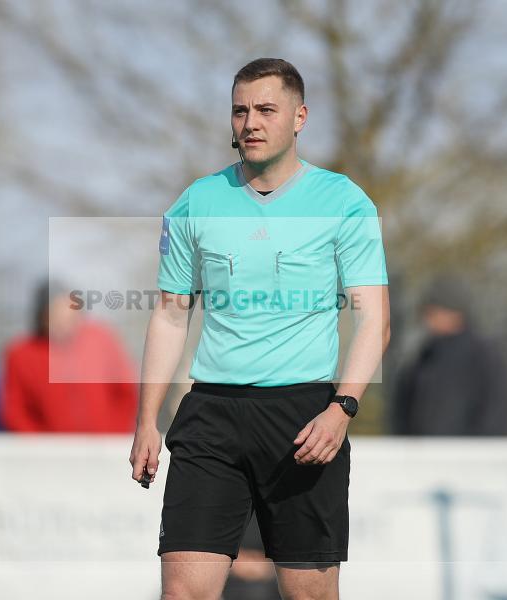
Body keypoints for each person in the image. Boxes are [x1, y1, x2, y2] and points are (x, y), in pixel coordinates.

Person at [129, 58, 390, 600]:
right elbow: (171, 315)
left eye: (266, 109)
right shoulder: (194, 203)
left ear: (299, 117)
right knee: (182, 592)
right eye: (240, 110)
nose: (251, 122)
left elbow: (374, 320)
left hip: (304, 418)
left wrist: (341, 409)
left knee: (309, 594)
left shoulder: (344, 203)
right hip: (211, 417)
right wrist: (147, 419)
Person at [0, 281, 138, 432]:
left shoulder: (102, 340)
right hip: (49, 451)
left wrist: (113, 434)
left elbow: (126, 393)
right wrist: (41, 445)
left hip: (103, 446)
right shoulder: (21, 354)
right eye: (56, 315)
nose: (64, 322)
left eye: (71, 315)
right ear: (42, 317)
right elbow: (14, 410)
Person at [392, 275, 507, 435]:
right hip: (422, 456)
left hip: (469, 456)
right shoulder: (423, 356)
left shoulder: (484, 355)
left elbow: (495, 411)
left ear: (452, 312)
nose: (426, 319)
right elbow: (403, 411)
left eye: (431, 312)